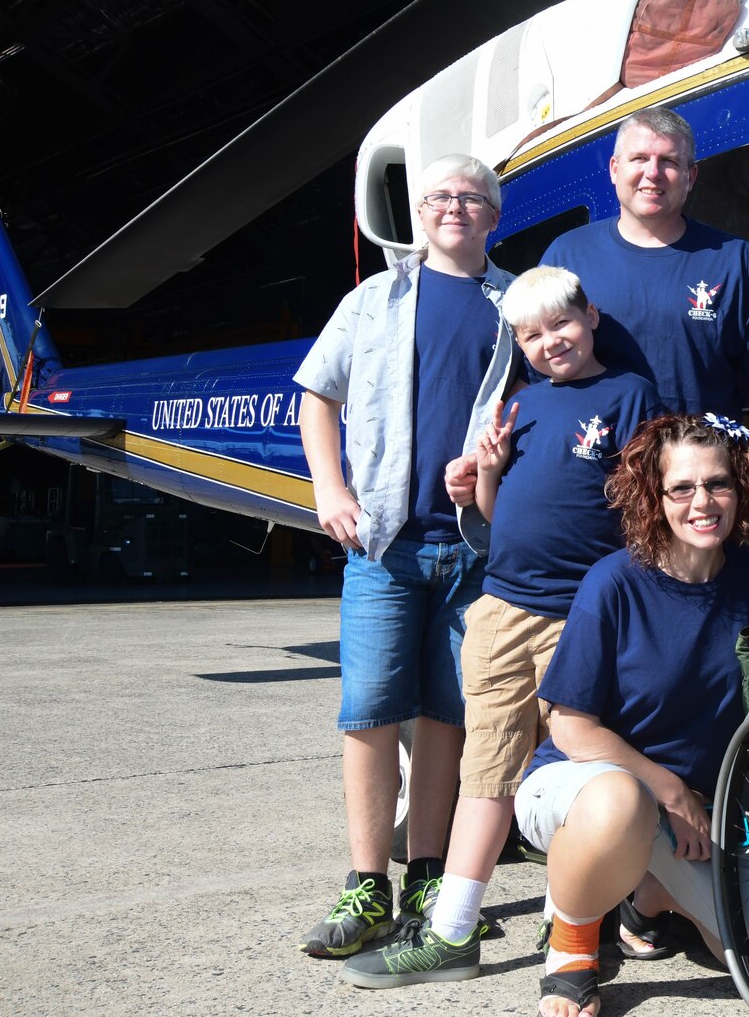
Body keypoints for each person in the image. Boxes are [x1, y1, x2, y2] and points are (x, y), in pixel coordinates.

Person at [343, 266, 661, 987]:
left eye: (562, 325)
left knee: (574, 772)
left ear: (592, 316)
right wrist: (482, 472)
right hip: (502, 609)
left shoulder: (631, 394)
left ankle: (574, 927)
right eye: (532, 334)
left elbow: (642, 504)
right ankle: (452, 931)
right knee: (485, 771)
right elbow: (488, 516)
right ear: (517, 343)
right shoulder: (519, 406)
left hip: (583, 616)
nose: (551, 342)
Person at [293, 153, 517, 959]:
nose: (455, 208)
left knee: (448, 715)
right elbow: (318, 395)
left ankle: (427, 872)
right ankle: (366, 884)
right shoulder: (374, 299)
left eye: (472, 198)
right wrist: (329, 491)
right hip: (385, 541)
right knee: (369, 713)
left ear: (494, 215)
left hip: (472, 547)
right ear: (420, 215)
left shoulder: (514, 304)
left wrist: (488, 471)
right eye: (440, 198)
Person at [517, 413, 749, 1017]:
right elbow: (569, 726)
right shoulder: (614, 583)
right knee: (621, 803)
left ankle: (650, 899)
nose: (702, 501)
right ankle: (572, 944)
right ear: (653, 497)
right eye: (682, 488)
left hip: (697, 814)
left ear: (741, 488)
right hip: (587, 788)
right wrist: (670, 790)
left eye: (718, 483)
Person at [537, 106, 749, 473]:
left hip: (699, 483)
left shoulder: (733, 259)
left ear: (690, 176)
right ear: (615, 169)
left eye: (668, 161)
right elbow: (534, 370)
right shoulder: (567, 255)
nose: (652, 172)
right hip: (600, 477)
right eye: (639, 159)